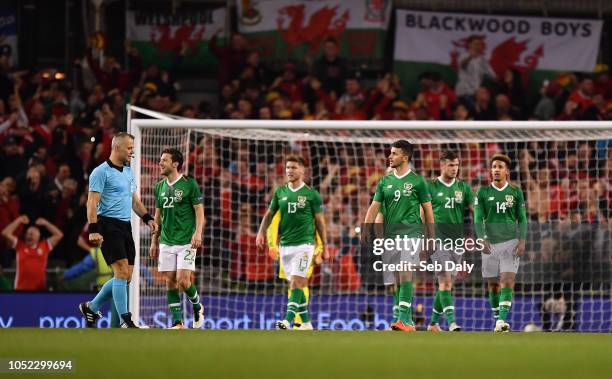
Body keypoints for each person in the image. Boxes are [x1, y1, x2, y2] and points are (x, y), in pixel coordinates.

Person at [78, 132, 158, 328]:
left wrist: (148, 218)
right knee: (121, 272)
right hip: (107, 225)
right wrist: (93, 229)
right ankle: (126, 320)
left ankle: (92, 307)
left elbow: (135, 201)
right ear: (117, 148)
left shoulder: (129, 172)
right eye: (129, 148)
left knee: (126, 276)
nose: (132, 151)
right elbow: (92, 201)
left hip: (125, 226)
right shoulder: (100, 172)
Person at [363, 140, 434, 331]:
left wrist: (431, 237)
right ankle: (406, 319)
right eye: (390, 153)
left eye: (394, 153)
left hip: (412, 233)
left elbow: (427, 211)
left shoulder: (418, 182)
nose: (390, 156)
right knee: (397, 278)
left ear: (405, 157)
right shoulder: (385, 181)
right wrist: (365, 228)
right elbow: (375, 207)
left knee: (405, 271)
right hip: (391, 236)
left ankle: (402, 318)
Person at [256, 156, 328, 330]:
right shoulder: (280, 192)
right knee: (297, 284)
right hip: (286, 245)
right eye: (288, 167)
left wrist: (324, 246)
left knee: (297, 281)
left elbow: (320, 222)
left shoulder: (311, 194)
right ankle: (306, 322)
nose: (289, 170)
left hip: (305, 245)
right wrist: (260, 232)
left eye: (294, 167)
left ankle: (288, 320)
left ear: (302, 170)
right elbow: (269, 215)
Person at [149, 148, 205, 329]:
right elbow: (157, 217)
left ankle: (197, 306)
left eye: (164, 160)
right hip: (166, 241)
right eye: (160, 159)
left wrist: (198, 233)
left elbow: (199, 211)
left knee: (183, 279)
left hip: (187, 241)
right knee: (170, 281)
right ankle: (178, 322)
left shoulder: (189, 184)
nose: (160, 163)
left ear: (175, 164)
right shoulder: (159, 187)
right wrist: (153, 241)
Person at [474, 154, 527, 332]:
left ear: (507, 171)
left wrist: (522, 241)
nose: (496, 169)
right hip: (490, 244)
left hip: (510, 242)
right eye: (494, 166)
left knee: (507, 280)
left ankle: (501, 320)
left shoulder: (515, 192)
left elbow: (522, 219)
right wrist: (481, 237)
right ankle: (499, 321)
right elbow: (477, 217)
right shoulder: (482, 192)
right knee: (493, 284)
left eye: (500, 167)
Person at [426, 151, 473, 332]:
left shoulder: (464, 187)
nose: (454, 169)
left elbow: (474, 210)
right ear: (442, 165)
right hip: (437, 240)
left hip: (457, 242)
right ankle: (452, 323)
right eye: (451, 165)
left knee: (447, 285)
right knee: (445, 282)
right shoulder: (431, 186)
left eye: (456, 165)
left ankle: (432, 324)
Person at [1, 215, 63, 290]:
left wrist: (46, 223)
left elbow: (59, 235)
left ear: (38, 237)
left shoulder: (45, 246)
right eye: (27, 233)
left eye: (32, 234)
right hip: (21, 290)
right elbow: (5, 233)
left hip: (39, 291)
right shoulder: (19, 245)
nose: (29, 235)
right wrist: (19, 220)